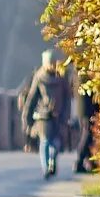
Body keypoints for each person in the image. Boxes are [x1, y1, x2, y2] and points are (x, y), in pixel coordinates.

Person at [22, 49, 73, 179]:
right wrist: (27, 115)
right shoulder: (55, 78)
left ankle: (49, 165)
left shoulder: (45, 77)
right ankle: (48, 165)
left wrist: (27, 117)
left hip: (49, 115)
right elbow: (33, 98)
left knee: (50, 142)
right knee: (50, 141)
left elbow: (32, 98)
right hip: (51, 115)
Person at [72, 72, 100, 174]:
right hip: (87, 109)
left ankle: (90, 161)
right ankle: (79, 161)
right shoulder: (84, 75)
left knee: (88, 135)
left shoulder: (79, 74)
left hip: (84, 109)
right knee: (87, 135)